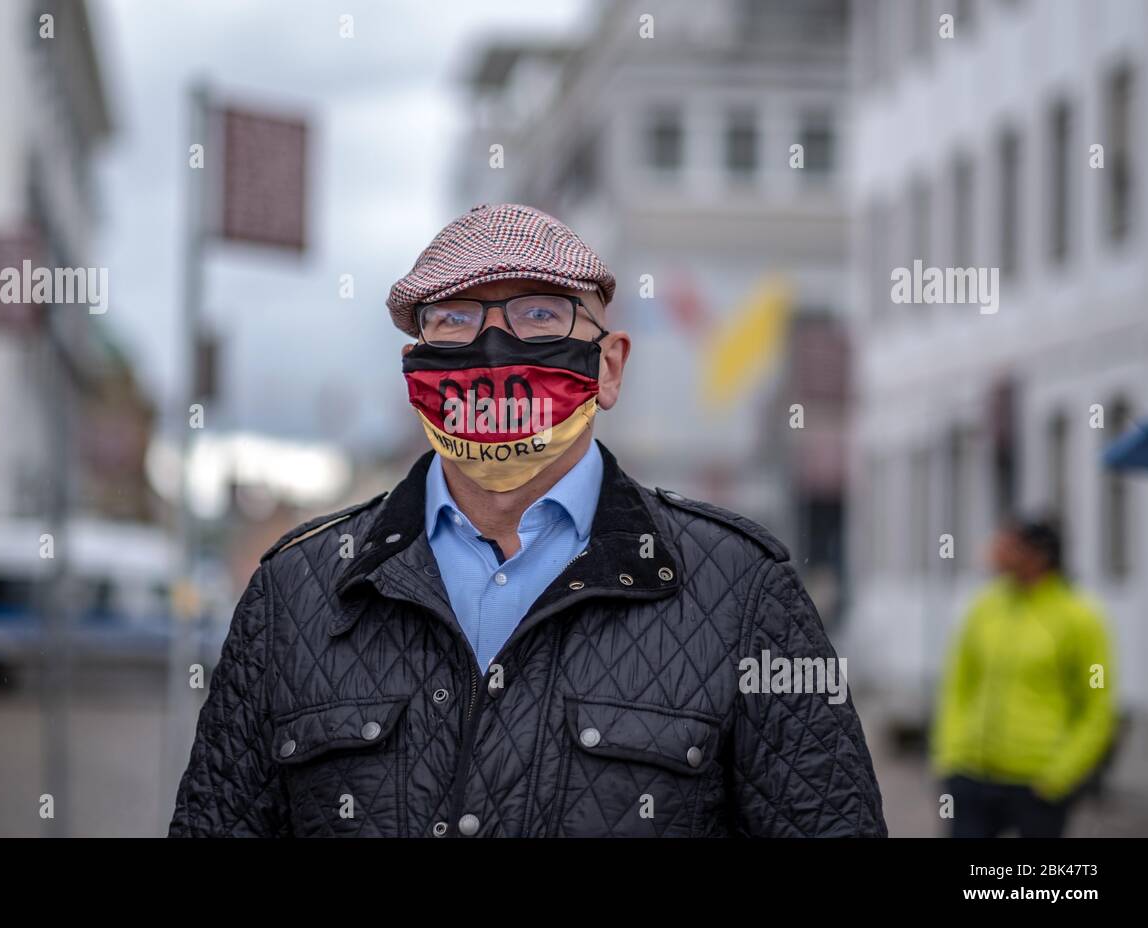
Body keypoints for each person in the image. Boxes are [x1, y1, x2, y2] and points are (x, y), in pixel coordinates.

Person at [168, 202, 886, 837]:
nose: (493, 345)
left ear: (609, 368)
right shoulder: (294, 596)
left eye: (539, 313)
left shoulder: (742, 595)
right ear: (414, 371)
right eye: (452, 319)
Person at [931, 517, 1118, 838]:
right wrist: (949, 757)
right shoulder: (984, 608)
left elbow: (1097, 705)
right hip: (972, 776)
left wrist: (1061, 775)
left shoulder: (1079, 618)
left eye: (1007, 546)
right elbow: (957, 686)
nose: (994, 553)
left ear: (1038, 555)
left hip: (1038, 784)